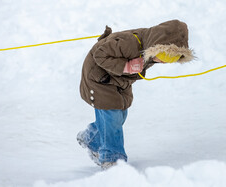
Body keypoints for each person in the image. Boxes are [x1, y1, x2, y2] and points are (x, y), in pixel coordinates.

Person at [77, 20, 194, 169]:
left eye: (172, 59)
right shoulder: (130, 43)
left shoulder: (150, 49)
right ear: (157, 46)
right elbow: (100, 54)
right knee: (111, 116)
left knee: (119, 116)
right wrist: (126, 66)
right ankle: (112, 160)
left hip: (118, 79)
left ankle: (91, 138)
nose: (165, 62)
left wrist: (128, 69)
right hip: (99, 78)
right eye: (165, 57)